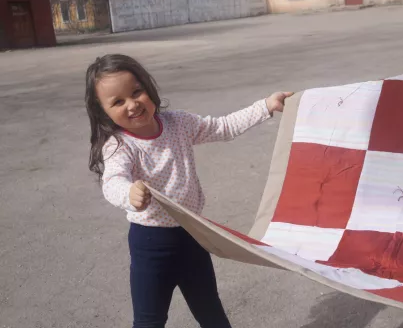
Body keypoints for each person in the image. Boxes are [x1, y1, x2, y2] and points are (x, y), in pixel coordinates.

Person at [85, 54, 293, 328]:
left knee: (212, 314)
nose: (133, 104)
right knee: (149, 321)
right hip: (151, 245)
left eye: (137, 92)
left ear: (149, 87)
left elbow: (223, 127)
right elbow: (112, 182)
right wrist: (129, 194)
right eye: (118, 102)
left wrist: (265, 106)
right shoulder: (119, 146)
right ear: (103, 112)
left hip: (194, 236)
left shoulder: (177, 123)